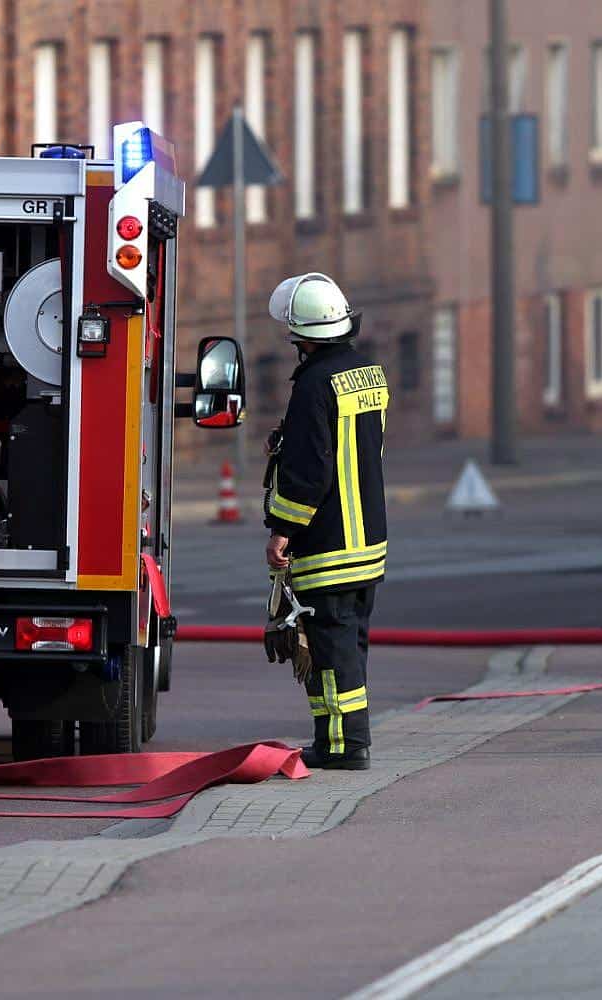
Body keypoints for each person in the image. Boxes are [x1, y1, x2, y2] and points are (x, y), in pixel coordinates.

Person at [262, 273, 388, 770]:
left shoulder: (314, 384)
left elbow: (309, 471)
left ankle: (344, 746)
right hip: (367, 542)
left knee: (331, 651)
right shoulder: (369, 374)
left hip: (328, 543)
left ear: (302, 335)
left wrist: (282, 531)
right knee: (350, 646)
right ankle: (340, 738)